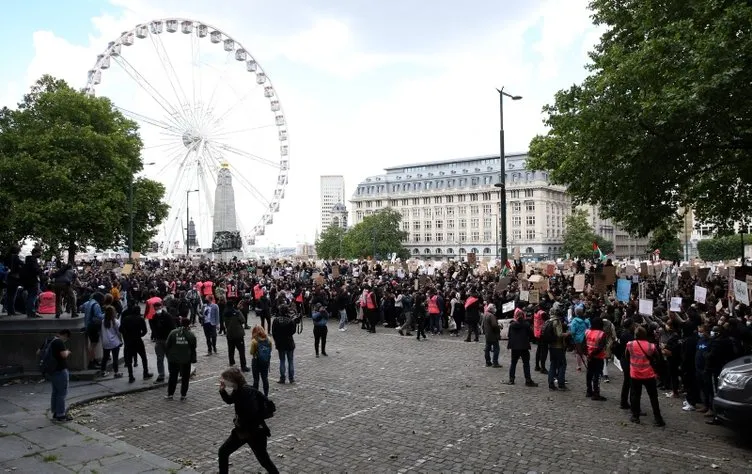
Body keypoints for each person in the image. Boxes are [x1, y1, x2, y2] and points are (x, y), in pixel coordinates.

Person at [217, 367, 279, 474]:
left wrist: (239, 420)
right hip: (242, 432)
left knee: (264, 460)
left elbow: (252, 413)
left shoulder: (246, 392)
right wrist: (222, 390)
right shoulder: (237, 390)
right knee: (223, 452)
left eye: (224, 379)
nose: (222, 380)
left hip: (255, 433)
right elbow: (230, 400)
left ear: (232, 380)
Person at [626, 326, 665, 427]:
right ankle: (658, 418)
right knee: (653, 397)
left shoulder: (630, 345)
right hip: (648, 374)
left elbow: (626, 356)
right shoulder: (650, 346)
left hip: (635, 374)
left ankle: (635, 416)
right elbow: (658, 357)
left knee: (635, 395)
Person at [119, 298, 153, 383]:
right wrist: (139, 335)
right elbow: (145, 331)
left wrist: (126, 335)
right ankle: (145, 373)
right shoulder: (140, 319)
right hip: (138, 340)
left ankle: (131, 376)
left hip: (129, 340)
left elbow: (120, 329)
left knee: (129, 360)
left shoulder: (126, 319)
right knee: (143, 357)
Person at [165, 317, 197, 401]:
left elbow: (167, 345)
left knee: (173, 377)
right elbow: (194, 346)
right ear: (189, 324)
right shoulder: (191, 335)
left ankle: (170, 394)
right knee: (185, 378)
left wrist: (169, 356)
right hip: (186, 359)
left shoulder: (173, 332)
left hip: (173, 359)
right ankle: (183, 395)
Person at [506, 306, 538, 387]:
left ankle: (511, 379)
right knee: (526, 364)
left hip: (514, 347)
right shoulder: (526, 325)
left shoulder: (512, 325)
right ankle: (528, 380)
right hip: (524, 346)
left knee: (513, 363)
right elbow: (531, 335)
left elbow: (509, 335)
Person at [47, 328, 72, 421]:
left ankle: (55, 412)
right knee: (62, 392)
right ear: (65, 335)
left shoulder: (49, 340)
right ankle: (61, 414)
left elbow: (38, 352)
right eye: (67, 338)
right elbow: (63, 355)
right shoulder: (59, 342)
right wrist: (68, 352)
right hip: (60, 369)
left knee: (55, 392)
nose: (66, 340)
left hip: (52, 370)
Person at [271, 305, 297, 384]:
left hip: (280, 343)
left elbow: (274, 332)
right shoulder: (290, 320)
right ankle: (291, 378)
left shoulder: (276, 320)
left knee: (282, 361)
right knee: (290, 361)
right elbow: (293, 332)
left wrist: (276, 341)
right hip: (289, 342)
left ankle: (282, 378)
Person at [152, 301, 176, 383]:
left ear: (161, 307)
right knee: (160, 358)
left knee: (169, 358)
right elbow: (153, 328)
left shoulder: (167, 316)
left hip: (167, 339)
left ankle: (171, 372)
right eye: (156, 308)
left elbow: (173, 328)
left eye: (158, 308)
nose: (157, 309)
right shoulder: (154, 316)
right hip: (159, 340)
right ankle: (161, 374)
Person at [584, 317, 608, 401]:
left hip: (589, 357)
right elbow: (600, 347)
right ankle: (596, 393)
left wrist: (588, 354)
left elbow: (584, 344)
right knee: (597, 375)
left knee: (589, 374)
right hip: (598, 357)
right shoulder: (602, 334)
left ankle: (589, 391)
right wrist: (592, 354)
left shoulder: (587, 331)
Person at [81, 292, 105, 370]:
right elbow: (99, 316)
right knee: (93, 345)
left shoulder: (88, 303)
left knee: (92, 345)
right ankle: (91, 362)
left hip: (87, 325)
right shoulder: (96, 305)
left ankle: (94, 360)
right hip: (93, 327)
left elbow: (81, 307)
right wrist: (106, 313)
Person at [224, 301, 249, 372]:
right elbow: (243, 320)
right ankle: (243, 366)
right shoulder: (237, 312)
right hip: (238, 334)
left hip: (230, 334)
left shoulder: (225, 313)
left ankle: (232, 364)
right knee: (241, 351)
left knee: (231, 351)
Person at [100, 305, 123, 378]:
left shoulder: (103, 321)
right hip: (114, 342)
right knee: (115, 358)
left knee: (105, 357)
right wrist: (121, 340)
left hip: (105, 342)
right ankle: (116, 372)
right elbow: (119, 332)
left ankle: (103, 371)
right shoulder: (115, 321)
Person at [249, 325, 272, 396]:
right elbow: (270, 350)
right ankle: (266, 395)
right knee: (265, 379)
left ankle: (255, 396)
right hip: (265, 361)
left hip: (256, 361)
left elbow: (251, 352)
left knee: (256, 380)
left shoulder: (254, 341)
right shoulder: (268, 339)